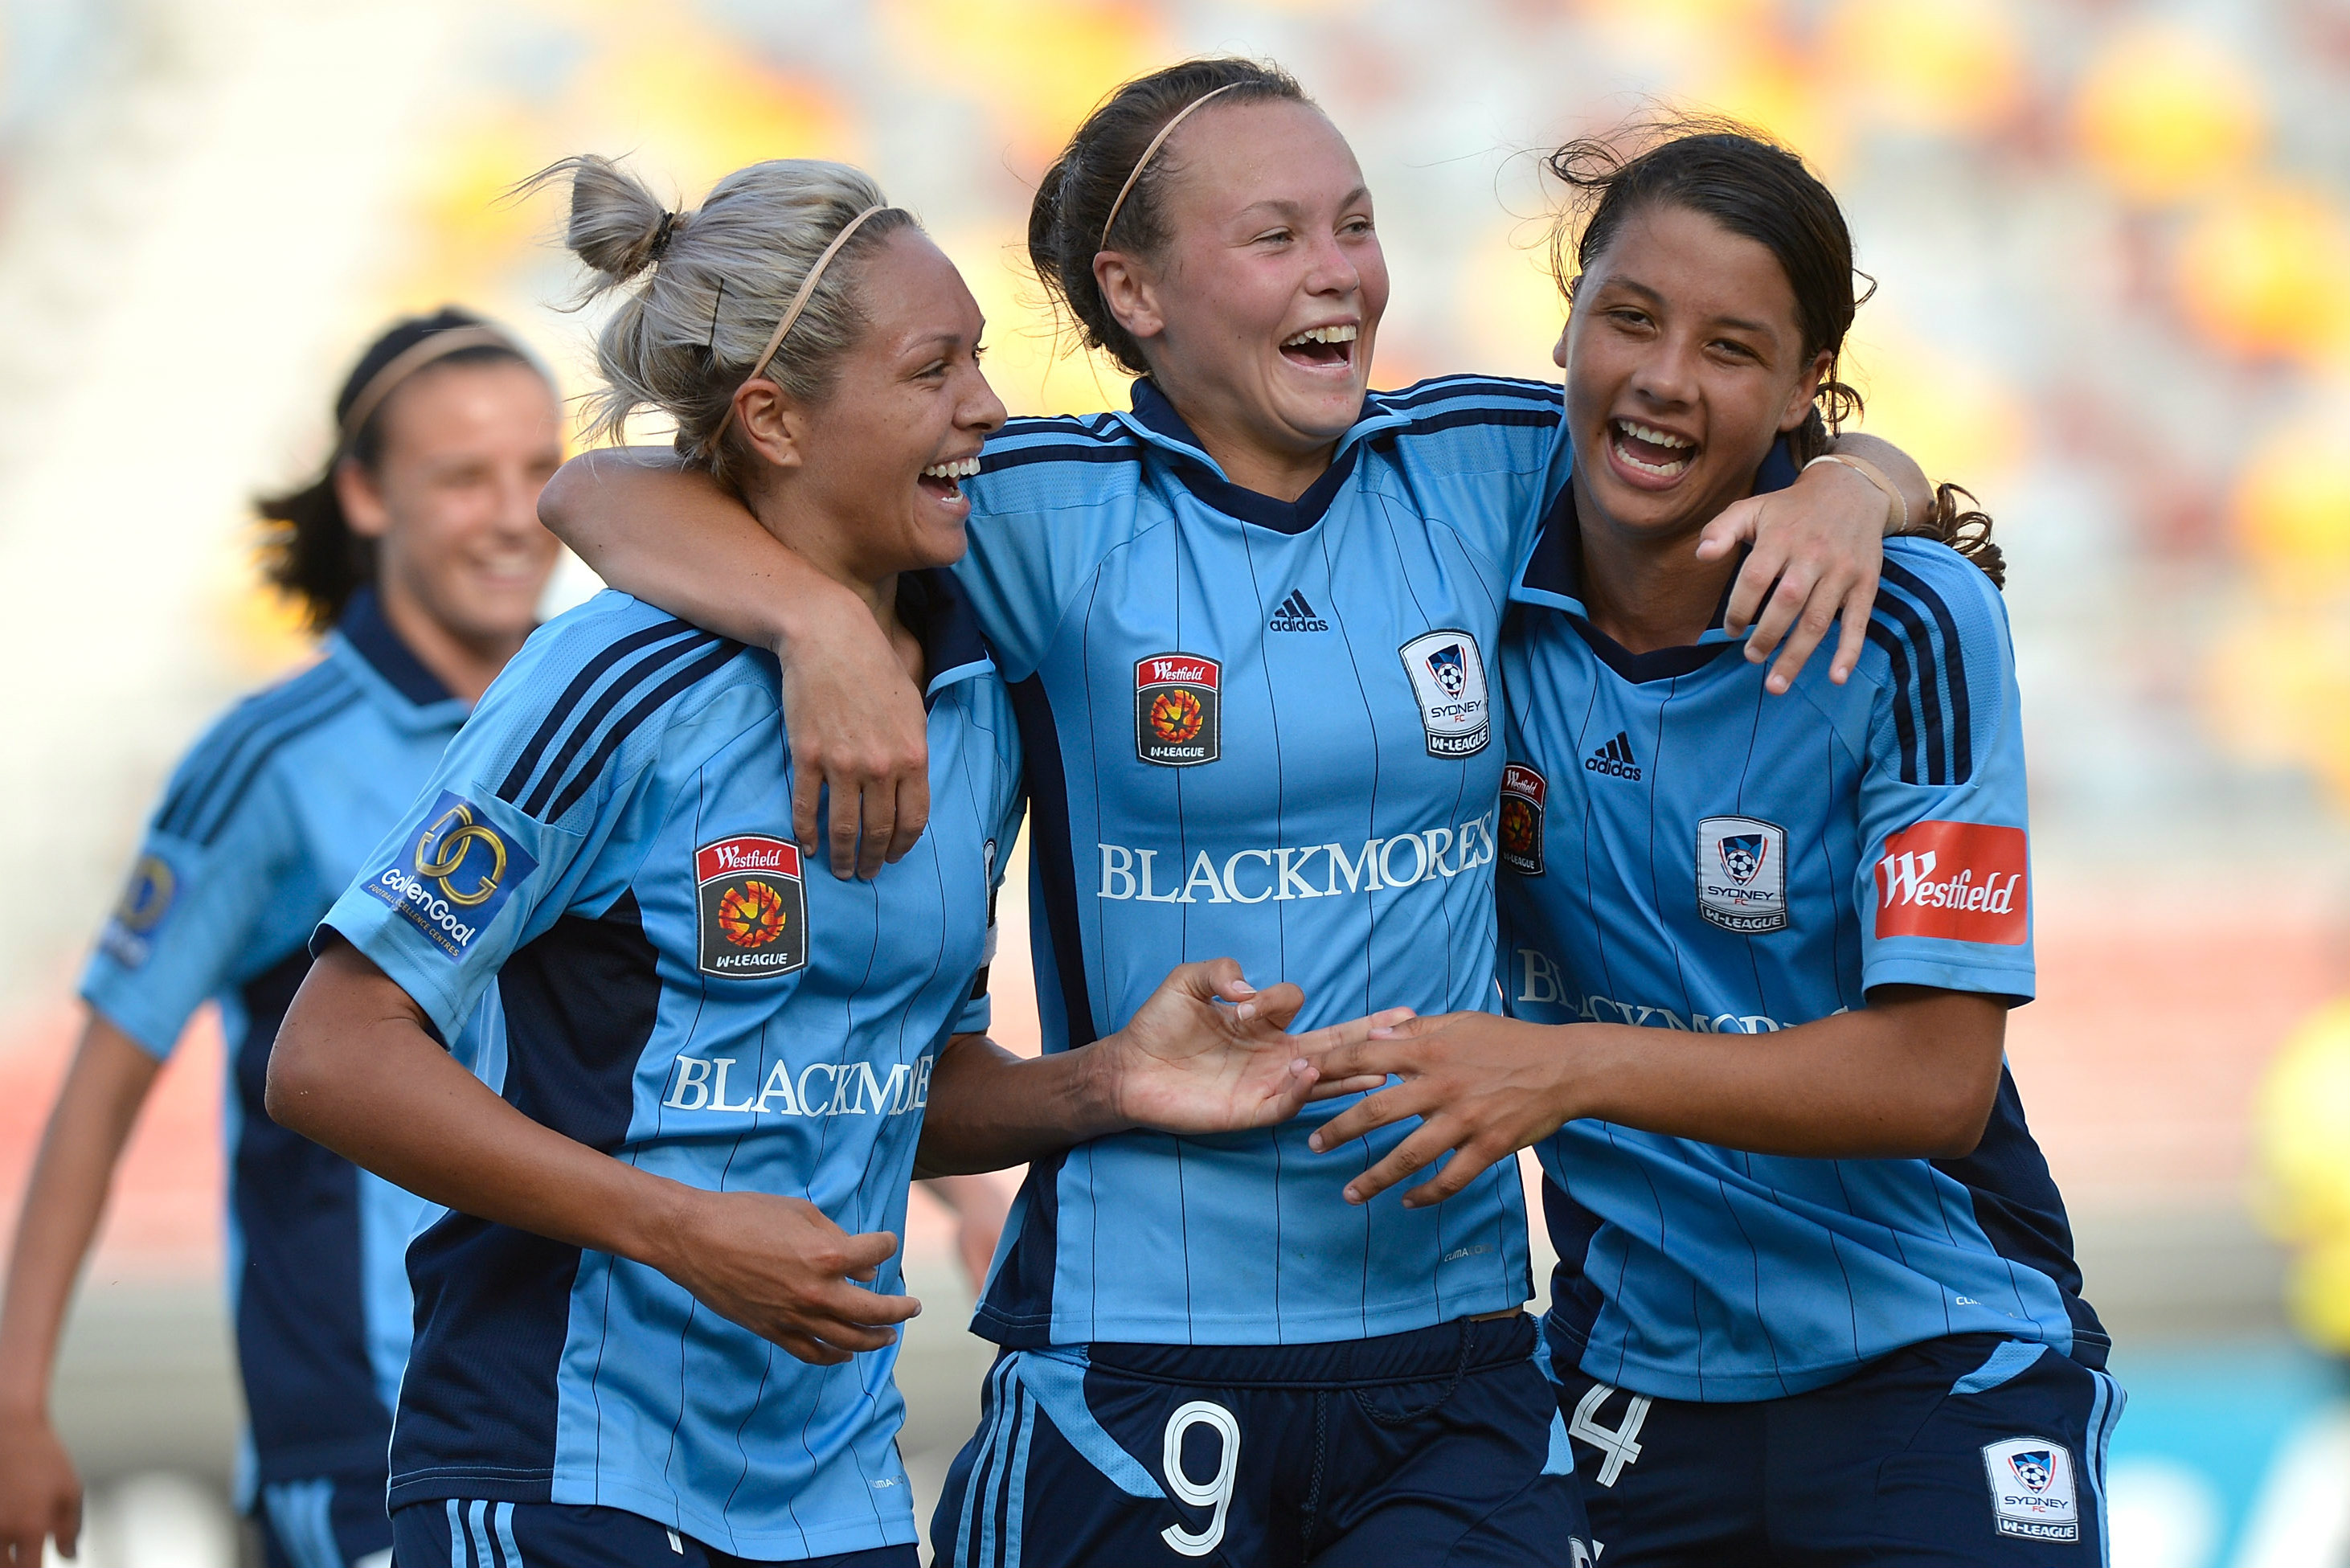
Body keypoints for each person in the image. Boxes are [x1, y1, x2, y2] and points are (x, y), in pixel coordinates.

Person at [535, 59, 1937, 1568]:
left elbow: (1712, 418)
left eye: (1355, 223)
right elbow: (606, 493)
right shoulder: (1031, 501)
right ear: (1133, 289)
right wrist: (815, 627)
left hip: (1453, 1343)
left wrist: (1857, 480)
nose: (1341, 271)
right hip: (1137, 1350)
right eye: (1277, 238)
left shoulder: (1479, 461)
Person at [265, 154, 1378, 1568]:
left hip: (831, 1494)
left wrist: (1104, 1085)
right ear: (776, 419)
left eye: (979, 357)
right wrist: (679, 1230)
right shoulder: (610, 683)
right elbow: (330, 1056)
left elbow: (880, 1087)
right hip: (562, 1466)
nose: (986, 406)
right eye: (933, 370)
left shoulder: (974, 697)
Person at [1301, 125, 2119, 1565]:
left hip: (1936, 1360)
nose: (1666, 377)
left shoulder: (1914, 623)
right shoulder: (1467, 550)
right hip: (1631, 1394)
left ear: (1809, 384)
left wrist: (1558, 1071)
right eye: (1629, 317)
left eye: (1734, 347)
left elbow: (1936, 1082)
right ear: (1567, 321)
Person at [0, 309, 564, 1568]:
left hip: (574, 1418)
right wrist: (15, 1400)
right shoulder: (270, 762)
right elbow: (99, 1091)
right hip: (367, 1444)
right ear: (365, 495)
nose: (515, 514)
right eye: (464, 477)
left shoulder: (596, 719)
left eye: (540, 470)